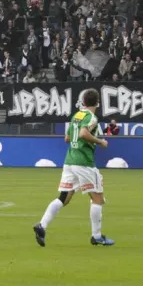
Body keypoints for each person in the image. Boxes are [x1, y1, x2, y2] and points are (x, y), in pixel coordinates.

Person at [33, 89, 113, 247]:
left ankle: (42, 226)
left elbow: (67, 138)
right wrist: (100, 141)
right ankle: (96, 236)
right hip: (84, 162)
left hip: (70, 161)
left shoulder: (76, 116)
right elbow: (83, 133)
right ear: (98, 103)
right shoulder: (91, 117)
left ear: (83, 101)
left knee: (64, 198)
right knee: (98, 198)